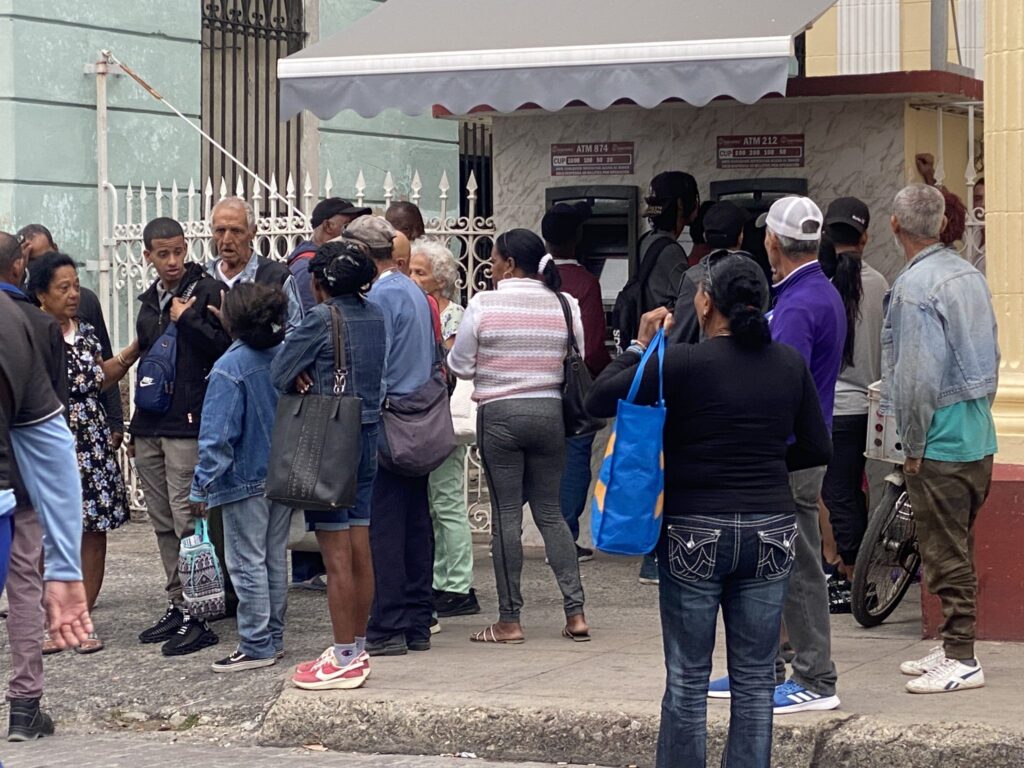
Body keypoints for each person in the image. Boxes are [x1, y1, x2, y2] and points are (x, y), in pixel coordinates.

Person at [586, 254, 832, 768]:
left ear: (704, 302)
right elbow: (816, 447)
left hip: (694, 528)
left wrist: (639, 343)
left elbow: (598, 397)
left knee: (688, 678)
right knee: (755, 678)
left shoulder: (682, 363)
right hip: (770, 528)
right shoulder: (788, 363)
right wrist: (764, 460)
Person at [449, 229, 589, 645]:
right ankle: (576, 612)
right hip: (550, 414)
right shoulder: (566, 303)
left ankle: (510, 621)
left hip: (501, 415)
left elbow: (460, 364)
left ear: (509, 263)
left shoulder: (483, 303)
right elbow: (575, 355)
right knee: (550, 512)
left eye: (493, 260)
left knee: (506, 515)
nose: (490, 268)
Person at [884, 184, 998, 694]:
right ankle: (954, 642)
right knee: (956, 543)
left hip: (940, 438)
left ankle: (962, 655)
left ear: (895, 226)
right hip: (976, 431)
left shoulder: (915, 289)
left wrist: (911, 446)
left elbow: (916, 379)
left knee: (944, 550)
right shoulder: (968, 274)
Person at [272, 240, 388, 689]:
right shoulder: (374, 314)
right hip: (368, 430)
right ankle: (357, 647)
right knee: (360, 545)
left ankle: (342, 658)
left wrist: (301, 375)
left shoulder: (321, 318)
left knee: (335, 554)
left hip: (330, 440)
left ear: (317, 283)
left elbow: (279, 371)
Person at [754, 196, 845, 714]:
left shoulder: (796, 302)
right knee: (781, 560)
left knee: (799, 563)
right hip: (805, 445)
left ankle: (813, 677)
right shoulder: (817, 292)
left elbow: (779, 384)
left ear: (772, 241)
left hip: (789, 452)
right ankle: (769, 668)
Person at [28, 253, 139, 654]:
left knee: (93, 530)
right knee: (46, 534)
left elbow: (101, 378)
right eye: (64, 288)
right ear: (42, 294)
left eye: (76, 285)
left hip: (90, 442)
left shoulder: (87, 333)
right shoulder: (34, 332)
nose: (74, 294)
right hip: (51, 442)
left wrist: (130, 352)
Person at [132, 217, 231, 657]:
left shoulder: (205, 290)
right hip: (150, 422)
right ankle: (178, 602)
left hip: (187, 423)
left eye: (177, 252)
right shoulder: (148, 301)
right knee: (161, 521)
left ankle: (202, 613)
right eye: (162, 254)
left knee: (190, 521)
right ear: (148, 256)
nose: (172, 262)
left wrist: (188, 318)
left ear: (186, 248)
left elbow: (225, 347)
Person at [1, 291, 93, 738]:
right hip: (18, 486)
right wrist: (64, 566)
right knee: (24, 587)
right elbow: (54, 440)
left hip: (13, 485)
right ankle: (24, 702)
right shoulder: (24, 325)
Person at [345, 215, 438, 656]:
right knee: (416, 523)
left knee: (383, 526)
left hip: (389, 420)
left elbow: (376, 367)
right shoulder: (414, 290)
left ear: (362, 254)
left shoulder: (381, 296)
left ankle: (388, 624)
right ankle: (417, 620)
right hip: (419, 416)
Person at [189, 283, 290, 673]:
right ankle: (273, 638)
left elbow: (218, 437)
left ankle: (256, 642)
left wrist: (201, 485)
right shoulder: (282, 356)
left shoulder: (229, 369)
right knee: (273, 559)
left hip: (244, 479)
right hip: (280, 473)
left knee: (246, 562)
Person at [0, 235, 65, 739]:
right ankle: (24, 704)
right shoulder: (38, 325)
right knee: (26, 585)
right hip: (22, 478)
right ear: (20, 265)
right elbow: (49, 415)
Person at [818, 199, 889, 593]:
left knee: (837, 492)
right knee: (854, 487)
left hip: (836, 410)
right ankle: (858, 570)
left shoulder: (821, 287)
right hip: (873, 409)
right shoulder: (881, 284)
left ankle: (854, 573)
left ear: (826, 237)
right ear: (866, 236)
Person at [409, 239, 480, 618]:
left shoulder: (453, 315)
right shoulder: (420, 309)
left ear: (440, 279)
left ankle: (457, 584)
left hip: (444, 418)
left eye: (420, 272)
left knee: (448, 500)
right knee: (435, 504)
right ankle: (442, 578)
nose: (412, 278)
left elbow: (453, 361)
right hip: (425, 417)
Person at [542, 202, 611, 560]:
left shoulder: (537, 279)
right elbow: (595, 347)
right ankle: (565, 534)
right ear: (579, 237)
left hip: (538, 385)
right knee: (575, 459)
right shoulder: (586, 282)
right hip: (572, 388)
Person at [17, 224, 125, 451]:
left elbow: (103, 360)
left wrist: (115, 419)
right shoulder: (24, 308)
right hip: (51, 432)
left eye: (47, 257)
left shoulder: (84, 301)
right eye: (34, 262)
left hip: (92, 432)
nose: (44, 267)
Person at [670, 201, 767, 346]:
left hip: (706, 362)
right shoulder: (755, 271)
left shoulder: (695, 276)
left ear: (704, 236)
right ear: (741, 235)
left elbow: (680, 337)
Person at [208, 197, 304, 334]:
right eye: (220, 231)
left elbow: (296, 332)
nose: (227, 240)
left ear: (253, 232)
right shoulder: (203, 276)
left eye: (236, 231)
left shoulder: (277, 276)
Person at [288, 198, 372, 312]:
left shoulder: (341, 260)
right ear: (328, 226)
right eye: (348, 225)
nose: (355, 231)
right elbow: (310, 319)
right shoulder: (306, 268)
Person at [638, 171, 699, 312]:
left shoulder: (646, 239)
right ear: (680, 204)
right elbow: (693, 301)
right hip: (665, 331)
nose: (696, 203)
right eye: (693, 197)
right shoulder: (671, 250)